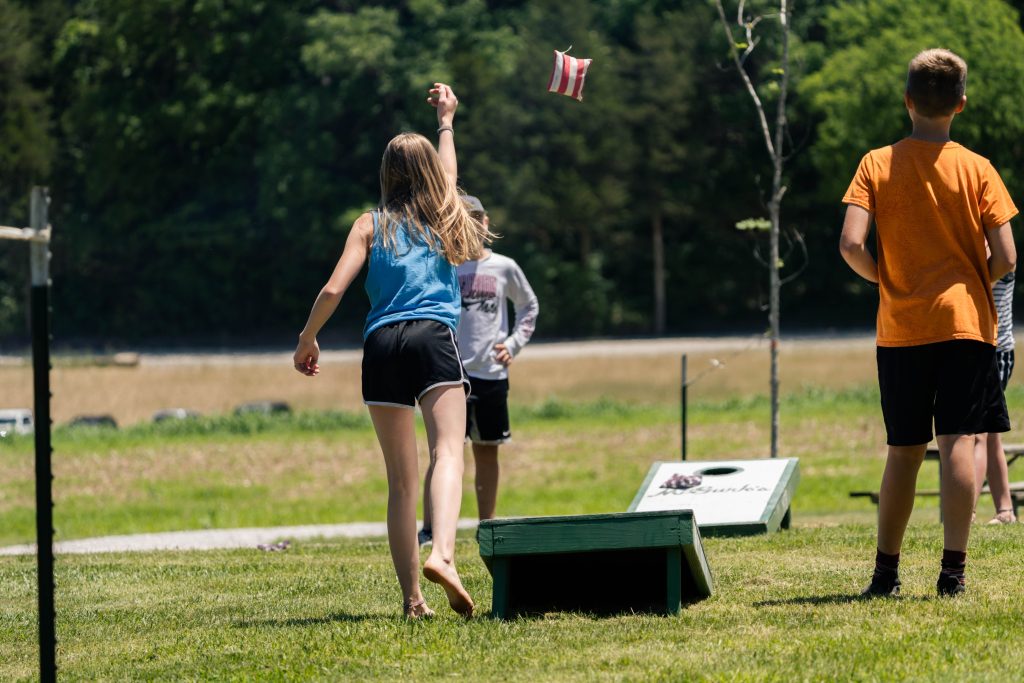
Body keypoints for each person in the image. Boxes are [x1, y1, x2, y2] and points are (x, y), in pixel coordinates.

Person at [293, 83, 491, 619]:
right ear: (431, 177)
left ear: (386, 175)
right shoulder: (446, 214)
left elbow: (334, 290)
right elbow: (447, 177)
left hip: (380, 343)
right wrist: (447, 120)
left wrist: (308, 339)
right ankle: (444, 555)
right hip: (432, 335)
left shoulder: (368, 224)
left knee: (401, 479)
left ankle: (411, 600)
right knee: (448, 451)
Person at [839, 48, 1017, 597]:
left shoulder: (876, 163)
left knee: (904, 448)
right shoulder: (979, 168)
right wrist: (970, 285)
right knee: (959, 441)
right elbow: (1008, 256)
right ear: (960, 105)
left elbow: (850, 244)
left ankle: (885, 574)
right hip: (966, 324)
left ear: (907, 100)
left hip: (902, 328)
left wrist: (884, 280)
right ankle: (952, 575)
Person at [419, 197, 539, 545]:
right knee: (443, 452)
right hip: (450, 373)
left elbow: (529, 304)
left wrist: (513, 343)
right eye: (464, 220)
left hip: (490, 373)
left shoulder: (504, 267)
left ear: (487, 223)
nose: (473, 226)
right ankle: (431, 530)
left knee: (487, 450)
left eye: (478, 219)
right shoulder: (444, 266)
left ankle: (488, 528)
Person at [973, 271, 1017, 524]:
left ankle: (968, 510)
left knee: (978, 432)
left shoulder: (998, 249)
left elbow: (977, 284)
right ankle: (1005, 510)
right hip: (980, 350)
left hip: (995, 351)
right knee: (989, 435)